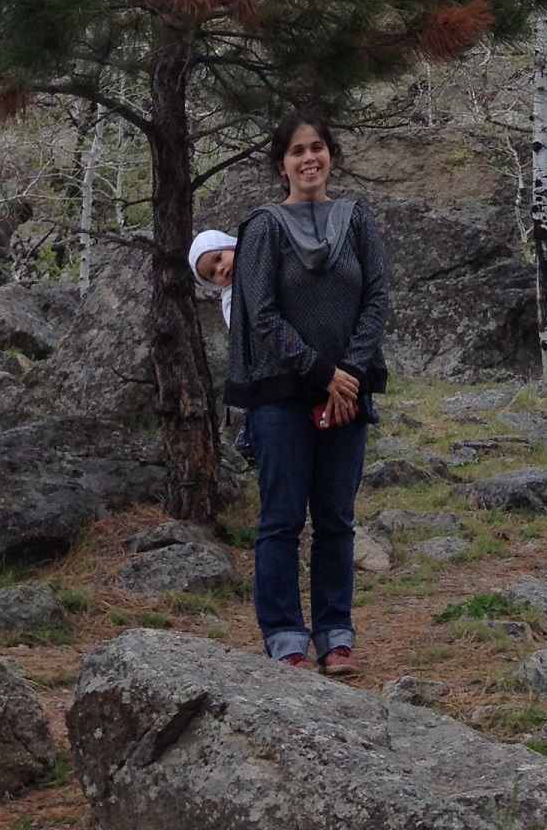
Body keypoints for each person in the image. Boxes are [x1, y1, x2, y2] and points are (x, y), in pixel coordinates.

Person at [223, 111, 387, 674]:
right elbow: (261, 314)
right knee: (282, 520)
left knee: (337, 520)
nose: (309, 158)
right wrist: (323, 373)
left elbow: (375, 300)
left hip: (348, 392)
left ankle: (335, 636)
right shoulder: (263, 228)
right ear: (282, 164)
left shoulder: (356, 221)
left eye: (318, 147)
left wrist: (350, 374)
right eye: (297, 151)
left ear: (330, 156)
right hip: (282, 397)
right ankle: (285, 639)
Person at [189, 228, 237, 324]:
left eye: (219, 259)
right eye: (212, 273)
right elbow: (237, 327)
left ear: (231, 247)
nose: (219, 269)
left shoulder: (261, 254)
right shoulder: (231, 298)